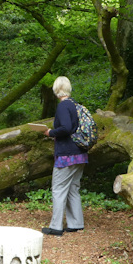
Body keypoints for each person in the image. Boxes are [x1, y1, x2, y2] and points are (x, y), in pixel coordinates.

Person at [40, 76, 87, 236]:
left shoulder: (63, 107)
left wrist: (50, 132)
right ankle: (76, 223)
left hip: (67, 155)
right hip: (79, 153)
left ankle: (56, 227)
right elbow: (72, 128)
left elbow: (66, 128)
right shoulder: (75, 105)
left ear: (55, 90)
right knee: (73, 188)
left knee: (58, 189)